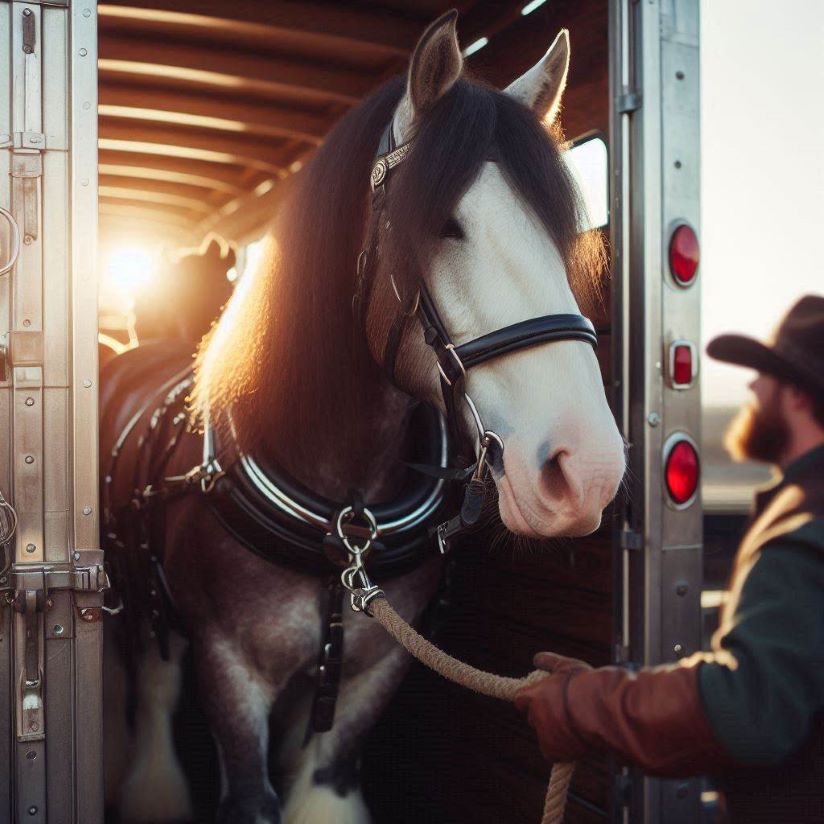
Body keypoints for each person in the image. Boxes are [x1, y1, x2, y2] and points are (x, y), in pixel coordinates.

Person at [515, 295, 824, 822]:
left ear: (795, 395)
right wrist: (601, 691)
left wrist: (580, 706)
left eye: (763, 376)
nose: (751, 387)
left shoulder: (803, 531)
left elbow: (747, 710)